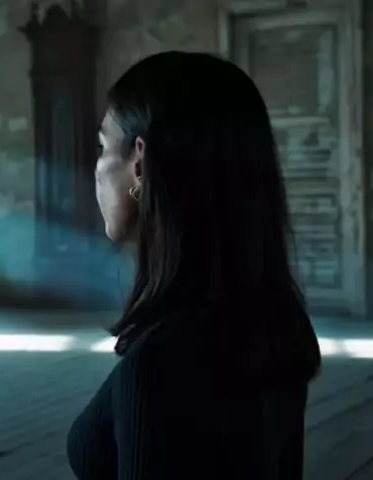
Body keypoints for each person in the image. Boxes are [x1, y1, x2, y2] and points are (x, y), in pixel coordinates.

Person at [66, 51, 322, 479]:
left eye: (102, 147)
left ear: (140, 163)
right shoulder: (274, 326)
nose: (95, 169)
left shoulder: (158, 369)